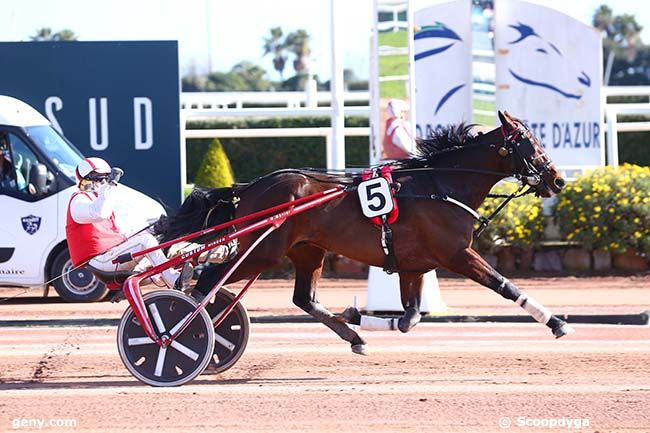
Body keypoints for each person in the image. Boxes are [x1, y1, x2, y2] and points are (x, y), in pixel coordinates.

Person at [65, 157, 190, 289]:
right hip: (100, 262)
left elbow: (124, 236)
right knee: (145, 241)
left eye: (106, 178)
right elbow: (100, 213)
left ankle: (170, 279)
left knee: (154, 239)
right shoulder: (78, 201)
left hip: (110, 255)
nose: (103, 182)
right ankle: (173, 280)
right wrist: (110, 186)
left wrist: (153, 229)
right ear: (85, 179)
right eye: (99, 178)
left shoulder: (100, 201)